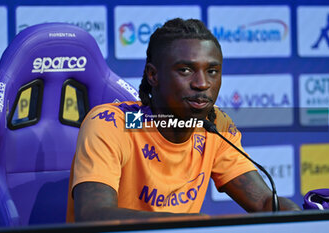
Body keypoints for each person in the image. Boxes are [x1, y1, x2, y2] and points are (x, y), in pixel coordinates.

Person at [66, 18, 300, 222]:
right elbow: (94, 215)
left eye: (212, 71)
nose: (202, 83)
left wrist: (303, 218)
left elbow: (264, 203)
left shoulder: (214, 125)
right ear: (153, 75)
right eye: (186, 70)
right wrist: (189, 224)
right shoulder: (113, 124)